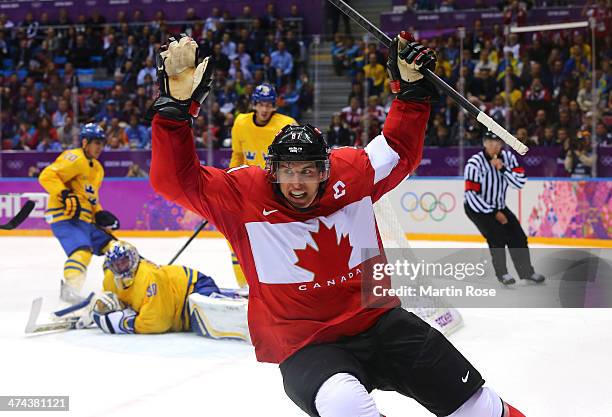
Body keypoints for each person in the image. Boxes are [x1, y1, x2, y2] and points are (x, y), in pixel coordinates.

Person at [148, 33, 526, 417]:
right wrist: (174, 111)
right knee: (345, 406)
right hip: (307, 346)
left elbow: (398, 150)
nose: (297, 182)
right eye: (287, 171)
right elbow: (174, 180)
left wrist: (412, 92)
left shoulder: (354, 173)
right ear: (271, 171)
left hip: (381, 321)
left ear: (325, 170)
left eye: (308, 171)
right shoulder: (242, 195)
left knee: (481, 408)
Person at [86, 240, 248, 340]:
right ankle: (230, 294)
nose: (121, 268)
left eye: (124, 262)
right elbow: (113, 298)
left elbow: (158, 322)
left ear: (134, 258)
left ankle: (239, 300)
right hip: (179, 308)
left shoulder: (148, 277)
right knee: (202, 323)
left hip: (193, 288)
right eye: (116, 264)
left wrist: (125, 323)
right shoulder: (110, 278)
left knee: (212, 321)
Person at [38, 124, 120, 303]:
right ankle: (70, 290)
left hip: (85, 219)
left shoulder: (98, 168)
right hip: (65, 216)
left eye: (102, 143)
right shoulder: (74, 157)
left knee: (117, 249)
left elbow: (91, 199)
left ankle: (119, 289)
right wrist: (64, 194)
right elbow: (47, 176)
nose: (99, 147)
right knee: (82, 251)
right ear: (85, 142)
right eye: (96, 142)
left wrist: (99, 213)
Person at [227, 82, 296, 288]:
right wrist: (230, 183)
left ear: (275, 106)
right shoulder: (240, 123)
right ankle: (244, 286)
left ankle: (280, 283)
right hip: (249, 192)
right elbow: (237, 157)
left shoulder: (287, 124)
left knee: (277, 240)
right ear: (254, 104)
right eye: (261, 104)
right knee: (237, 237)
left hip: (276, 193)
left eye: (269, 105)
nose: (265, 109)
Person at [464, 131, 545, 285]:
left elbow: (519, 183)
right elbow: (471, 196)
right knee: (496, 236)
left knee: (518, 236)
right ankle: (503, 274)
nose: (495, 145)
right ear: (484, 143)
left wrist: (503, 169)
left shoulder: (508, 158)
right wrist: (494, 213)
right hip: (477, 208)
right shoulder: (474, 163)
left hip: (499, 206)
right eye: (491, 142)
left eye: (498, 142)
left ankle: (527, 272)